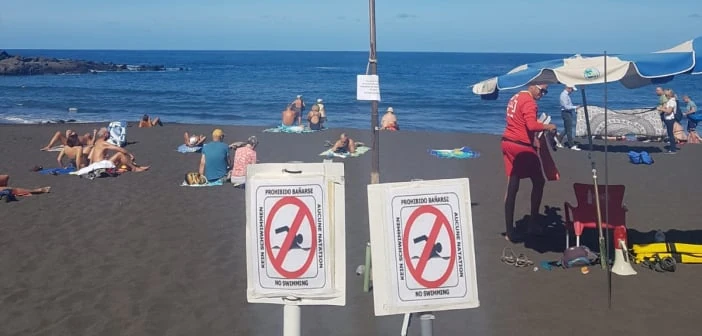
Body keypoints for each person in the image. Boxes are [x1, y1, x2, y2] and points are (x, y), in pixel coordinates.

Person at [501, 84, 557, 242]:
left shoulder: (515, 98)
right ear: (532, 86)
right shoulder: (529, 102)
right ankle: (532, 222)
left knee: (512, 184)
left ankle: (509, 230)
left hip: (507, 142)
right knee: (538, 181)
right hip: (521, 146)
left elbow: (519, 122)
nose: (543, 94)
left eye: (545, 91)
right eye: (542, 90)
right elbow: (531, 125)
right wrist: (548, 126)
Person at [558, 85, 580, 150]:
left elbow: (568, 105)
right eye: (572, 90)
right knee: (569, 130)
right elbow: (566, 107)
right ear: (569, 88)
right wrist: (575, 107)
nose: (572, 91)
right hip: (566, 113)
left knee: (567, 128)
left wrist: (574, 108)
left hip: (567, 113)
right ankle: (572, 145)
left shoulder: (565, 95)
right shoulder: (564, 95)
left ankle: (558, 140)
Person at [657, 89, 678, 153]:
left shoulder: (672, 102)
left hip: (670, 119)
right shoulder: (670, 101)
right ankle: (672, 148)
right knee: (670, 134)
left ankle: (673, 149)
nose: (666, 97)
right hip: (668, 119)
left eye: (666, 95)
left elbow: (669, 111)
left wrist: (661, 109)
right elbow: (666, 108)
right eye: (665, 95)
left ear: (670, 95)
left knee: (670, 134)